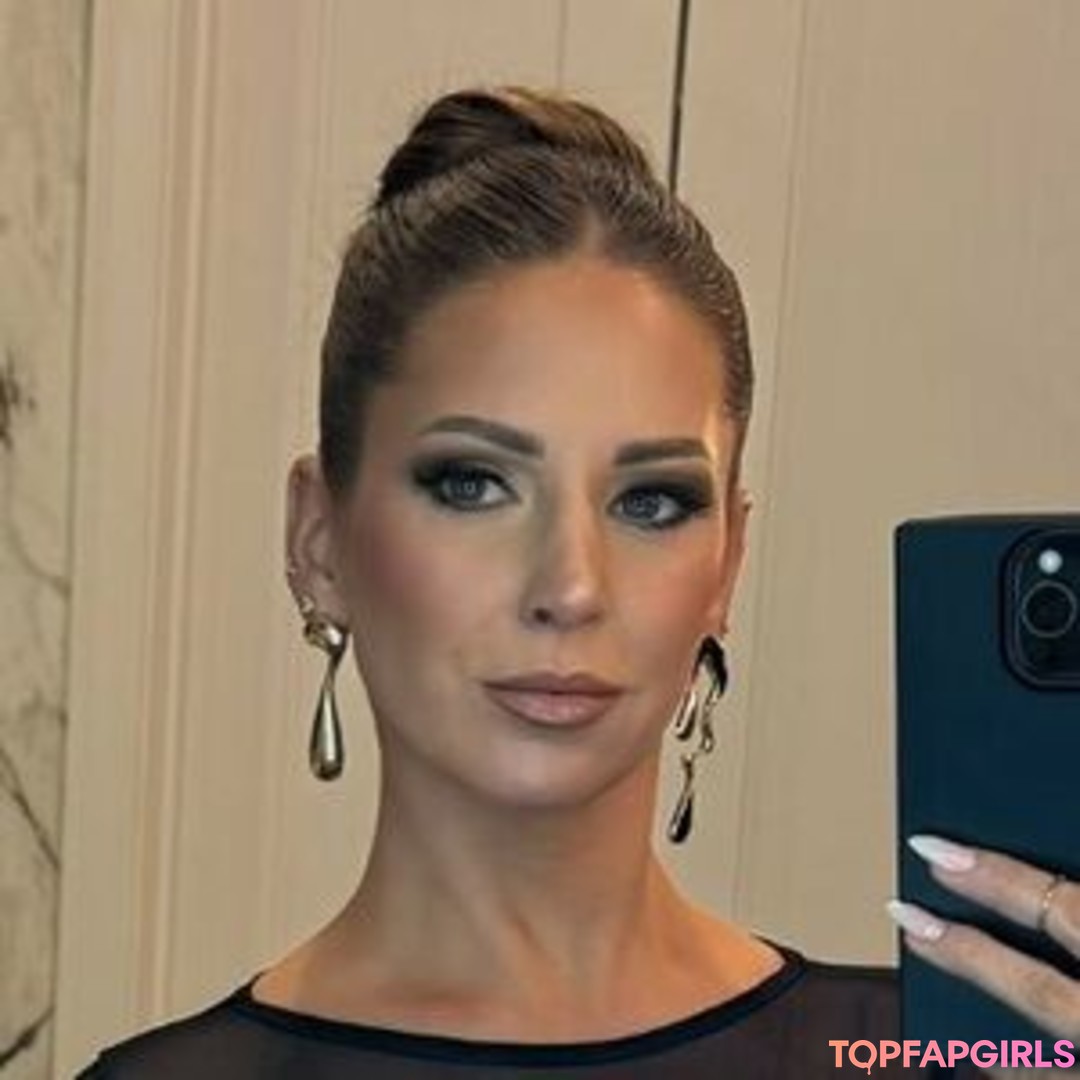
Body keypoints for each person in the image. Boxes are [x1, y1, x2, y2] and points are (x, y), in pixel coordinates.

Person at [79, 86, 1077, 1078]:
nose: (572, 586)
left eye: (651, 501)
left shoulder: (941, 1056)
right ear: (319, 541)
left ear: (727, 561)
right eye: (472, 484)